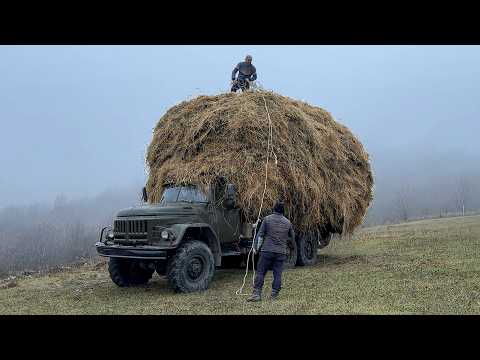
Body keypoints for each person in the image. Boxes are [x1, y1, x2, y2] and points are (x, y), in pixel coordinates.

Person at [247, 200, 295, 302]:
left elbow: (260, 235)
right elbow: (292, 238)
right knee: (277, 274)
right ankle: (274, 295)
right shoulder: (288, 222)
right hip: (281, 252)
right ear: (283, 211)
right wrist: (288, 245)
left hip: (267, 251)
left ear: (274, 209)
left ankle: (256, 294)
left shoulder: (267, 219)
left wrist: (256, 248)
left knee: (260, 272)